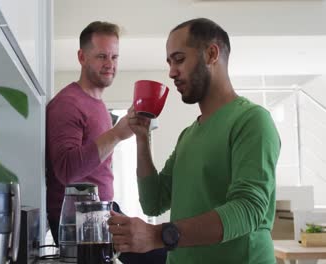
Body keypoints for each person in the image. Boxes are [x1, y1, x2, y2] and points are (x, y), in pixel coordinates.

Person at [108, 18, 281, 264]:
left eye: (179, 59)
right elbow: (153, 202)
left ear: (211, 54)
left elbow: (249, 209)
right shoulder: (188, 135)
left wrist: (157, 235)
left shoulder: (252, 120)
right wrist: (142, 139)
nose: (171, 72)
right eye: (169, 62)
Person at [46, 21, 133, 244]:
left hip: (100, 214)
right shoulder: (67, 104)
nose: (110, 64)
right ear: (82, 57)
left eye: (114, 57)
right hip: (79, 224)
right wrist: (116, 135)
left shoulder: (99, 105)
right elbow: (66, 170)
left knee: (163, 250)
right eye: (102, 56)